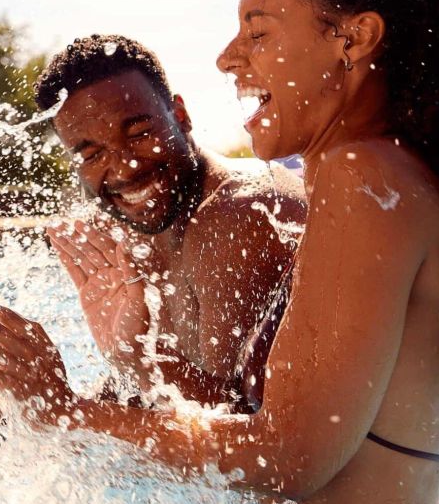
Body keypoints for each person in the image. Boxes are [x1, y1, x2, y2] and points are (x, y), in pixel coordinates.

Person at [0, 0, 439, 504]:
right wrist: (124, 365)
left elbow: (289, 457)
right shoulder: (374, 178)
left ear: (352, 39)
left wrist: (61, 408)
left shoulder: (365, 179)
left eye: (259, 32)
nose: (228, 58)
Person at [37, 35, 306, 407]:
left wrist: (135, 360)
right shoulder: (145, 225)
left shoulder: (244, 215)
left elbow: (245, 425)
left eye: (139, 133)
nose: (123, 168)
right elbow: (159, 395)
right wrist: (36, 401)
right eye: (93, 154)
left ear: (180, 115)